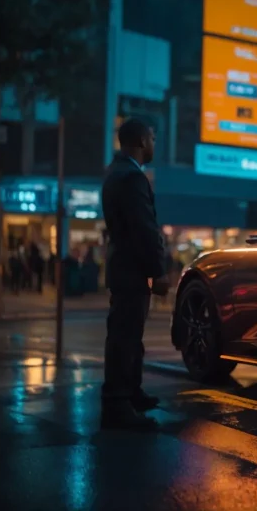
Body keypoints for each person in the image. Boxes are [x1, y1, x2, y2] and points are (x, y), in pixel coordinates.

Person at [100, 118, 170, 429]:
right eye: (152, 137)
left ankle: (131, 393)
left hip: (123, 266)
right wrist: (159, 271)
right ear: (142, 140)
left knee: (129, 336)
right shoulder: (131, 177)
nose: (154, 143)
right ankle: (118, 403)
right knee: (125, 337)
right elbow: (143, 229)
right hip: (131, 269)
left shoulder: (117, 171)